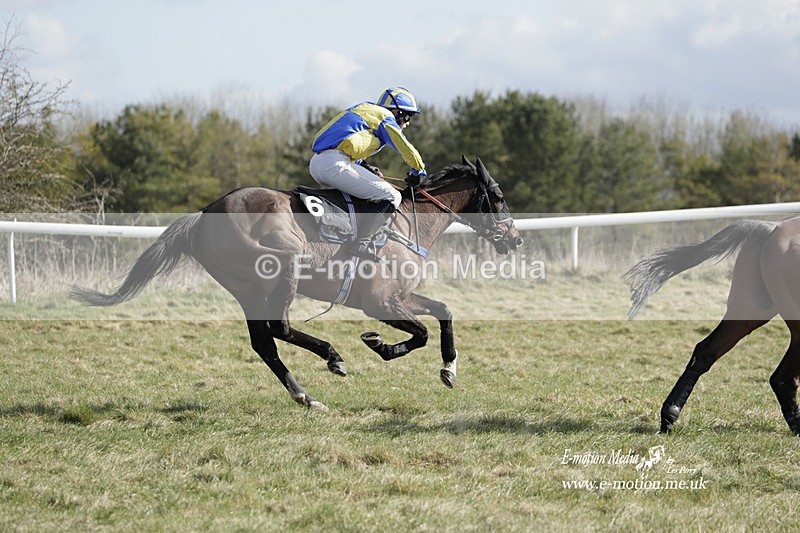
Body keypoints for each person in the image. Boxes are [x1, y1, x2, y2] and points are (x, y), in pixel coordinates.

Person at [309, 86, 427, 261]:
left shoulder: (365, 109)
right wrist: (418, 170)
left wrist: (366, 166)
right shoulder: (385, 117)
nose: (407, 123)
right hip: (334, 164)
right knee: (392, 196)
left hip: (317, 164)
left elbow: (348, 142)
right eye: (407, 117)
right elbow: (404, 147)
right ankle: (361, 243)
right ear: (397, 113)